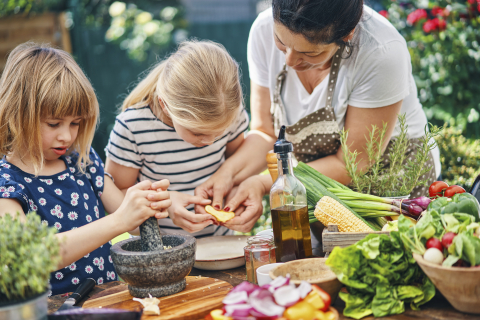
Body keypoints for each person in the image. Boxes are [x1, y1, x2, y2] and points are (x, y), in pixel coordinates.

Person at [194, 0, 441, 233]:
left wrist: (264, 184)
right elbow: (266, 134)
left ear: (347, 36)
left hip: (388, 185)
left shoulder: (381, 52)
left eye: (309, 53)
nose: (289, 60)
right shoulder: (261, 29)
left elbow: (350, 164)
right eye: (281, 42)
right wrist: (227, 174)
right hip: (311, 187)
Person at [0, 42, 172, 296]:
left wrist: (148, 202)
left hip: (107, 298)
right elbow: (34, 253)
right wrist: (118, 220)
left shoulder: (81, 161)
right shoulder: (7, 182)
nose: (66, 136)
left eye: (76, 123)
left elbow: (132, 222)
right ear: (18, 113)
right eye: (54, 123)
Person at [104, 40, 249, 237]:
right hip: (161, 259)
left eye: (220, 133)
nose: (210, 142)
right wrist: (166, 203)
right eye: (198, 133)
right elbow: (116, 195)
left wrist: (237, 196)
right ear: (165, 105)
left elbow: (237, 166)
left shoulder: (228, 111)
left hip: (221, 250)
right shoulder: (133, 127)